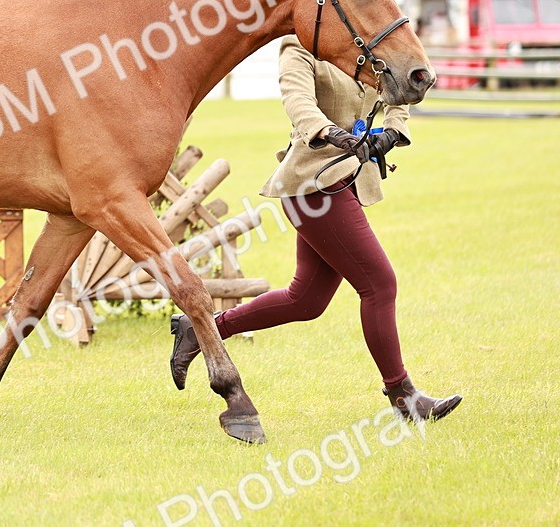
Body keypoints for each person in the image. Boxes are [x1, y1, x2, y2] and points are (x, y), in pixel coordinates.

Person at [169, 36, 462, 422]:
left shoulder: (367, 43)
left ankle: (199, 328)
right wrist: (330, 133)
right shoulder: (298, 49)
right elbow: (298, 103)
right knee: (379, 285)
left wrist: (392, 131)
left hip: (349, 181)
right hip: (313, 186)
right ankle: (403, 396)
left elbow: (398, 93)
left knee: (305, 300)